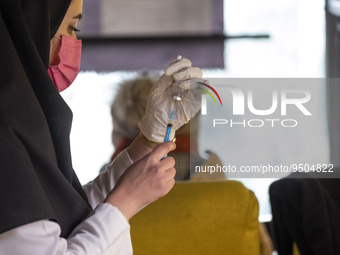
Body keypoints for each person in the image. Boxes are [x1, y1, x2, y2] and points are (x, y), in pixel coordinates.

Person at [0, 0, 204, 254]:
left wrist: (150, 138)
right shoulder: (7, 131)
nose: (73, 43)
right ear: (34, 30)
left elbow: (71, 216)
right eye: (72, 28)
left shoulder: (23, 121)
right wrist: (126, 201)